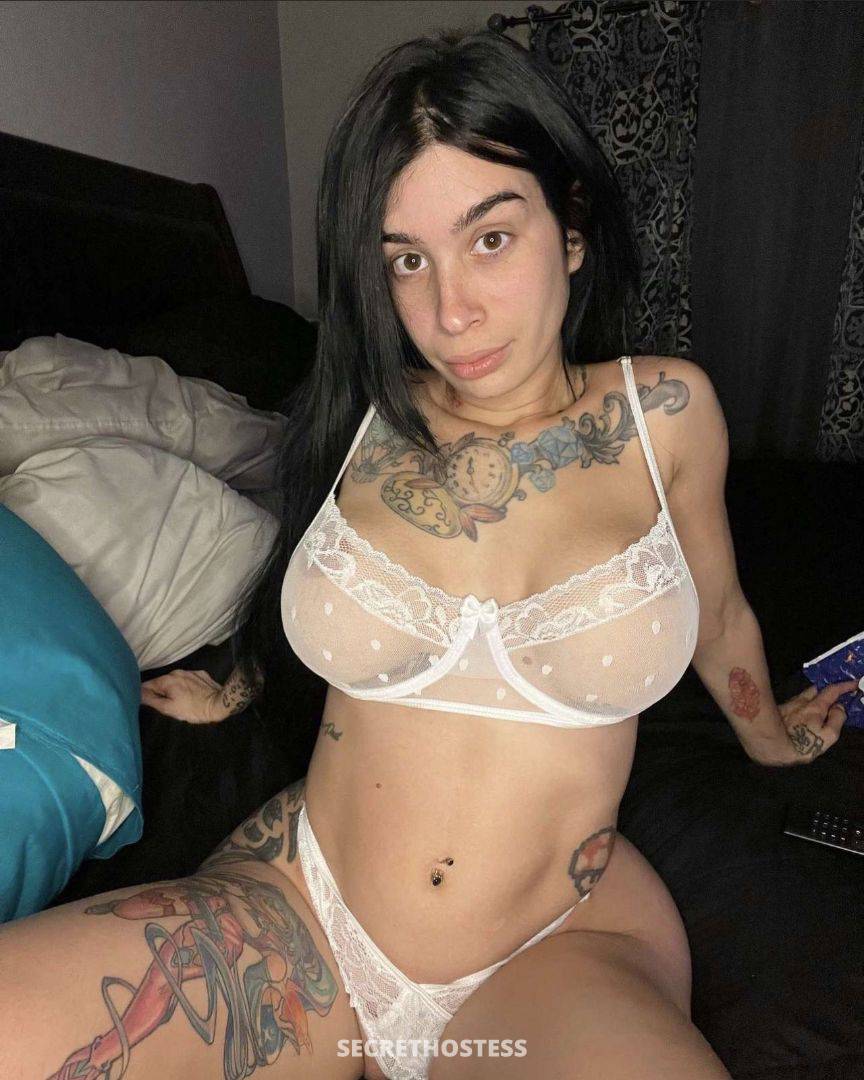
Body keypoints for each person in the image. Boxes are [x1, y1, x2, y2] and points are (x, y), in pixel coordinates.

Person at [2, 28, 856, 1080]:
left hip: (553, 948)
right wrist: (237, 685)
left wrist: (770, 740)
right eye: (407, 259)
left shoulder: (665, 412)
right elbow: (298, 562)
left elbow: (718, 615)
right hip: (307, 909)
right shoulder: (364, 408)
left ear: (571, 228)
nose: (450, 313)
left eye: (490, 238)